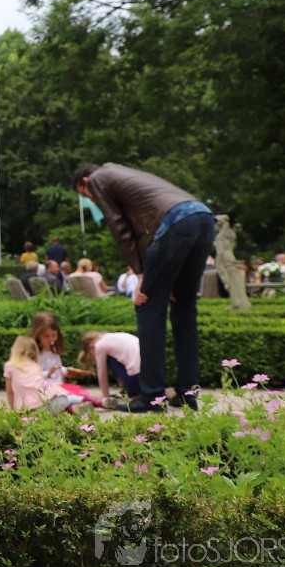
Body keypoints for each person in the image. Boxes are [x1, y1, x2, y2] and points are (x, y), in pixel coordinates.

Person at [75, 162, 214, 412]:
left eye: (87, 196)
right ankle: (187, 393)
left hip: (174, 223)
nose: (92, 200)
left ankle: (151, 396)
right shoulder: (123, 175)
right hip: (203, 218)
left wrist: (139, 273)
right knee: (184, 309)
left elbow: (119, 227)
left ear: (84, 183)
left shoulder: (97, 179)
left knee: (147, 306)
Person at [5, 336, 85, 412]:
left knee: (35, 415)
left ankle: (71, 403)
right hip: (50, 399)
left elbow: (9, 391)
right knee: (60, 403)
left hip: (30, 406)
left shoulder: (9, 365)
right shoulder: (35, 365)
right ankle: (72, 402)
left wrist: (13, 408)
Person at [77, 330, 143, 407]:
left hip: (136, 378)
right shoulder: (115, 337)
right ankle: (131, 391)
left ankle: (132, 390)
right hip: (148, 378)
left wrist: (105, 397)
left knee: (109, 359)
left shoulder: (99, 345)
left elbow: (102, 374)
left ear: (92, 347)